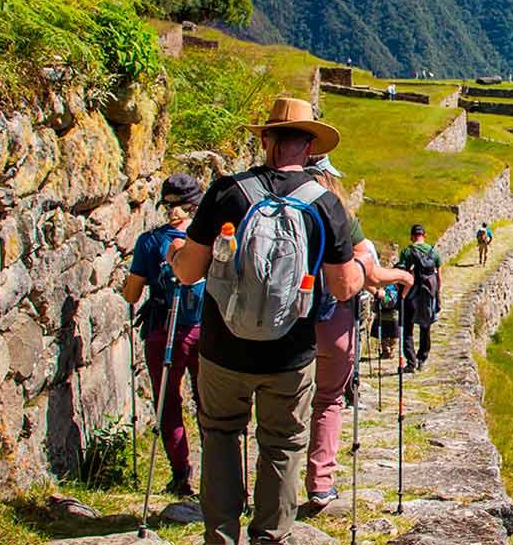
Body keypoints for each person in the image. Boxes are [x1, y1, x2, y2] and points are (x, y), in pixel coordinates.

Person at [170, 97, 406, 545]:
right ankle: (269, 537)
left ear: (265, 139)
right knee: (281, 445)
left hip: (223, 348)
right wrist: (363, 267)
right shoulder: (325, 206)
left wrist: (177, 251)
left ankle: (220, 537)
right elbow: (341, 287)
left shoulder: (226, 192)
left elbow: (187, 273)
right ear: (310, 146)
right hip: (290, 354)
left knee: (220, 435)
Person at [298, 152, 411, 508]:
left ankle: (275, 490)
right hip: (331, 318)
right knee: (329, 398)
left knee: (281, 399)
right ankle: (320, 481)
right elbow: (369, 270)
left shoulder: (271, 202)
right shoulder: (339, 214)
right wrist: (400, 276)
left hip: (283, 321)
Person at [121, 173, 206, 497]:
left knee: (167, 404)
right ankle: (216, 472)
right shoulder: (210, 240)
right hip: (205, 331)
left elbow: (131, 294)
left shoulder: (149, 241)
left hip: (162, 331)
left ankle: (180, 472)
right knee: (210, 404)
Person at [396, 224, 443, 374]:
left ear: (411, 236)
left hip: (411, 294)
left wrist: (401, 292)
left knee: (408, 328)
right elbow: (439, 277)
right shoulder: (434, 251)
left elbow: (402, 273)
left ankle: (411, 362)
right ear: (425, 235)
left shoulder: (407, 251)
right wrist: (437, 294)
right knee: (425, 326)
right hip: (428, 294)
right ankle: (422, 358)